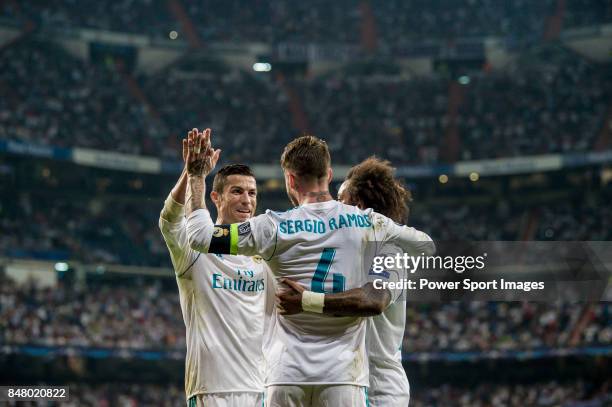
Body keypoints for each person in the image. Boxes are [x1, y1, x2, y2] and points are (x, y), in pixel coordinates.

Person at [184, 131, 434, 407]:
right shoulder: (365, 224)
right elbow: (426, 245)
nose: (338, 206)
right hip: (344, 376)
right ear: (327, 174)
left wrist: (196, 176)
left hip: (372, 388)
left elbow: (200, 237)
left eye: (344, 199)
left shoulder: (277, 226)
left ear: (290, 180)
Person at [277, 157, 413, 406]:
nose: (334, 207)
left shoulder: (388, 250)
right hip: (342, 381)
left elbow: (373, 300)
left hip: (378, 391)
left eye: (341, 201)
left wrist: (307, 300)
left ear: (359, 207)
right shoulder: (346, 250)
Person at [159, 128, 271, 407]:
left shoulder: (263, 251)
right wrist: (192, 173)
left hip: (262, 389)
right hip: (212, 390)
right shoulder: (195, 249)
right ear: (215, 197)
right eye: (237, 191)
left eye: (252, 193)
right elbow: (169, 220)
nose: (247, 200)